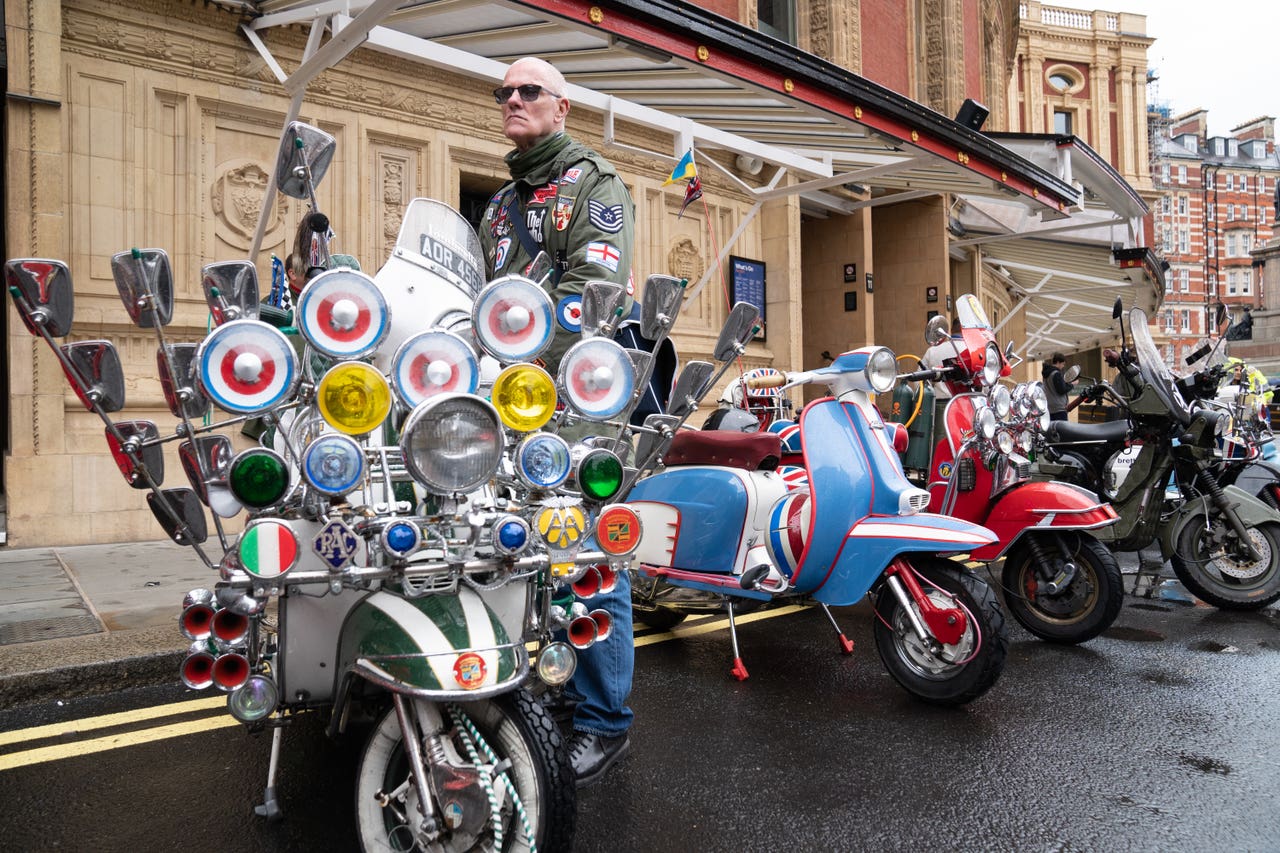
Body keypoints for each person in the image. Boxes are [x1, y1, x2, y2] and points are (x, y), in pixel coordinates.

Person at [479, 56, 636, 787]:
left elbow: (592, 293)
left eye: (528, 90)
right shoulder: (501, 206)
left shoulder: (593, 183)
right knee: (521, 552)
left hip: (575, 409)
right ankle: (549, 687)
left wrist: (513, 358)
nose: (513, 99)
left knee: (587, 556)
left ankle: (604, 719)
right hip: (507, 409)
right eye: (504, 92)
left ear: (561, 107)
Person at [1042, 352, 1075, 422]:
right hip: (1059, 409)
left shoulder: (1046, 374)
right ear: (1058, 362)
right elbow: (1061, 390)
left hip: (1050, 408)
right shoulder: (1056, 373)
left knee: (1052, 431)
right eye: (1062, 364)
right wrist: (1072, 384)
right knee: (1062, 431)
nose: (1063, 366)